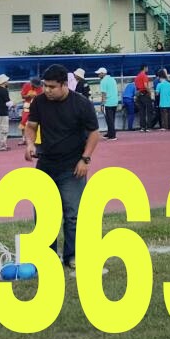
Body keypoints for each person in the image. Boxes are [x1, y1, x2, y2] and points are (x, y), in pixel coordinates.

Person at [25, 64, 101, 276]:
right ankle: (46, 257)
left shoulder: (81, 103)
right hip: (46, 165)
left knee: (73, 214)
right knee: (44, 214)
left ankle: (72, 255)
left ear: (64, 85)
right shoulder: (39, 102)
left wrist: (85, 159)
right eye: (45, 86)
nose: (47, 90)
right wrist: (30, 143)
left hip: (72, 167)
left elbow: (94, 133)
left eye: (52, 87)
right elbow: (31, 126)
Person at [96, 68, 119, 140]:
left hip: (108, 103)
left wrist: (102, 103)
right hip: (115, 101)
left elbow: (104, 94)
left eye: (99, 73)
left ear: (103, 73)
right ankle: (110, 133)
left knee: (109, 119)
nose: (98, 75)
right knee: (112, 119)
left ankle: (112, 135)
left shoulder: (103, 81)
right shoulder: (112, 79)